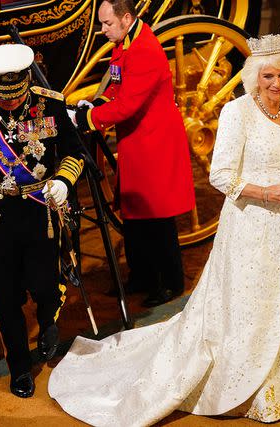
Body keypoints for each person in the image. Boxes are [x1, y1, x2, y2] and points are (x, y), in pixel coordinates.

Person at [49, 31, 280, 425]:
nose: (277, 83)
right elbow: (220, 176)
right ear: (254, 75)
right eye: (268, 76)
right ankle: (247, 385)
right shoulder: (238, 113)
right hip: (250, 225)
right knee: (250, 306)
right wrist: (266, 192)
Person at [0, 43, 84, 398]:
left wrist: (64, 182)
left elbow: (73, 152)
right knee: (5, 298)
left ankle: (50, 320)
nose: (10, 102)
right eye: (2, 96)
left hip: (40, 209)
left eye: (15, 95)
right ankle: (20, 368)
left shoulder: (49, 101)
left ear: (25, 79)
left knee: (44, 285)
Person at [72, 0, 195, 307]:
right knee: (134, 212)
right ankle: (141, 276)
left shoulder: (145, 50)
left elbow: (127, 105)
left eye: (107, 24)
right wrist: (97, 104)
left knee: (158, 217)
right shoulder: (125, 40)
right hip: (136, 139)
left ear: (126, 18)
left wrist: (86, 119)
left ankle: (171, 282)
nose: (102, 30)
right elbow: (117, 86)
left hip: (155, 142)